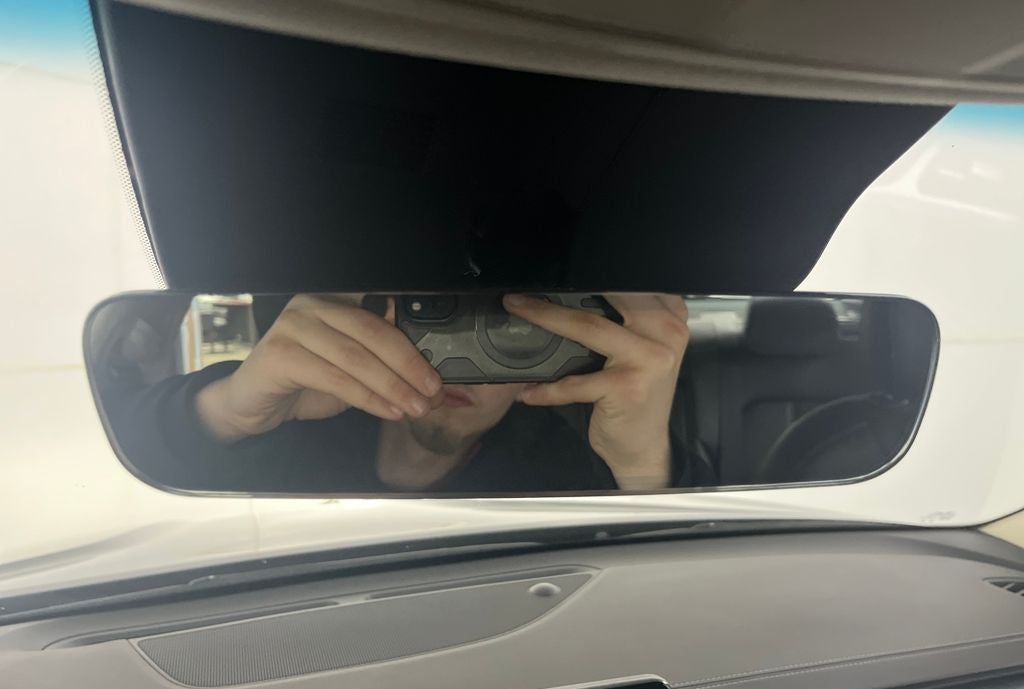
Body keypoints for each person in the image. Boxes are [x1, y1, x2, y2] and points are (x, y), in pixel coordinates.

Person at [121, 293, 713, 493]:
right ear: (377, 320)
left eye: (514, 337)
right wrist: (226, 412)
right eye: (438, 320)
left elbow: (660, 602)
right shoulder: (291, 426)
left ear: (548, 363)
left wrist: (640, 463)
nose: (461, 369)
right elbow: (130, 477)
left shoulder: (564, 471)